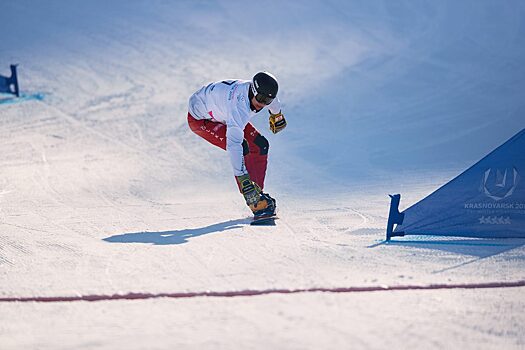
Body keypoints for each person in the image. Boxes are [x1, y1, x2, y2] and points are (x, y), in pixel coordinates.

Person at [187, 71, 287, 219]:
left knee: (261, 145)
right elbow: (234, 146)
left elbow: (273, 100)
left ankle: (256, 194)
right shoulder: (239, 109)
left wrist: (276, 115)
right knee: (243, 147)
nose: (261, 104)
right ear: (253, 91)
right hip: (200, 120)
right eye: (260, 98)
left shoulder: (261, 94)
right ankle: (252, 200)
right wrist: (242, 178)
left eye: (266, 101)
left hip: (221, 111)